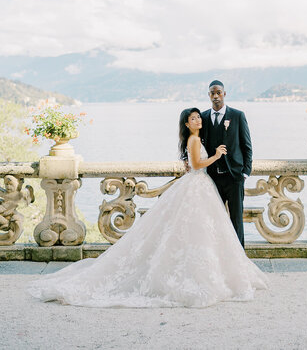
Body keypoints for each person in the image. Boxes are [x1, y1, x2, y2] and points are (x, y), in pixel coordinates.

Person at [27, 107, 267, 308]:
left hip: (200, 186)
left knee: (199, 232)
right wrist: (215, 156)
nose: (198, 120)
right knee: (196, 230)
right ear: (186, 123)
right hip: (197, 183)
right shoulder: (195, 140)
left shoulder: (197, 138)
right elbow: (195, 164)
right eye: (193, 118)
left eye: (198, 117)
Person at [202, 80, 252, 247]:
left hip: (234, 177)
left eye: (219, 93)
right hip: (212, 178)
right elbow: (194, 142)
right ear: (209, 95)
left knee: (236, 219)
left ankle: (240, 256)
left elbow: (246, 146)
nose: (216, 96)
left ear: (224, 94)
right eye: (212, 93)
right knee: (213, 218)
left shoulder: (237, 115)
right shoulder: (202, 117)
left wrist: (245, 173)